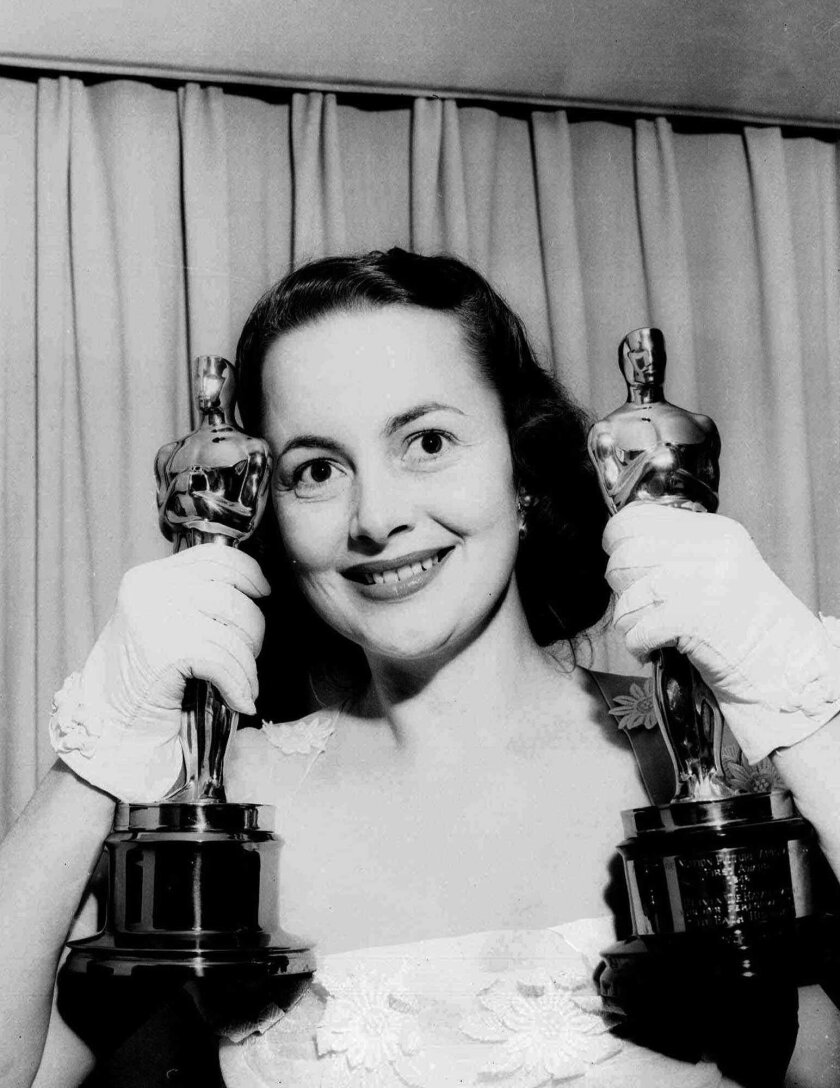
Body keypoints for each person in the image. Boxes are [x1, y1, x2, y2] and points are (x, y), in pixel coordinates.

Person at [2, 249, 840, 1088]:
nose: (377, 517)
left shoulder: (714, 763)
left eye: (427, 441)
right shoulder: (221, 805)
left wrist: (805, 709)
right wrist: (98, 753)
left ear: (522, 469)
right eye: (317, 471)